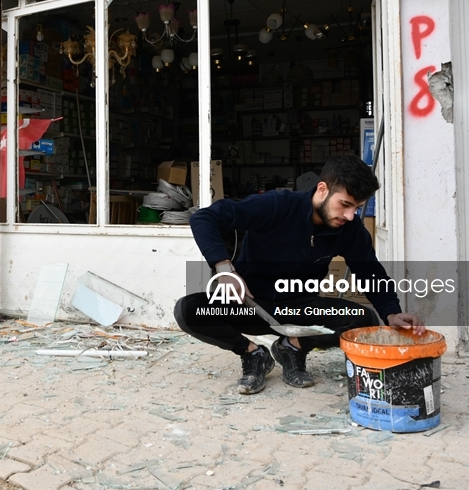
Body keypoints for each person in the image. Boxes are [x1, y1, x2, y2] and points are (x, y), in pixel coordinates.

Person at [175, 155, 424, 394]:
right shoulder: (276, 206)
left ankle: (293, 347)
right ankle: (252, 353)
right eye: (345, 205)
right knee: (188, 310)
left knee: (363, 318)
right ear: (323, 189)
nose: (350, 216)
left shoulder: (350, 230)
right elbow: (204, 218)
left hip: (298, 311)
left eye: (357, 208)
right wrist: (224, 268)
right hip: (250, 305)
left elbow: (370, 272)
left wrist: (391, 311)